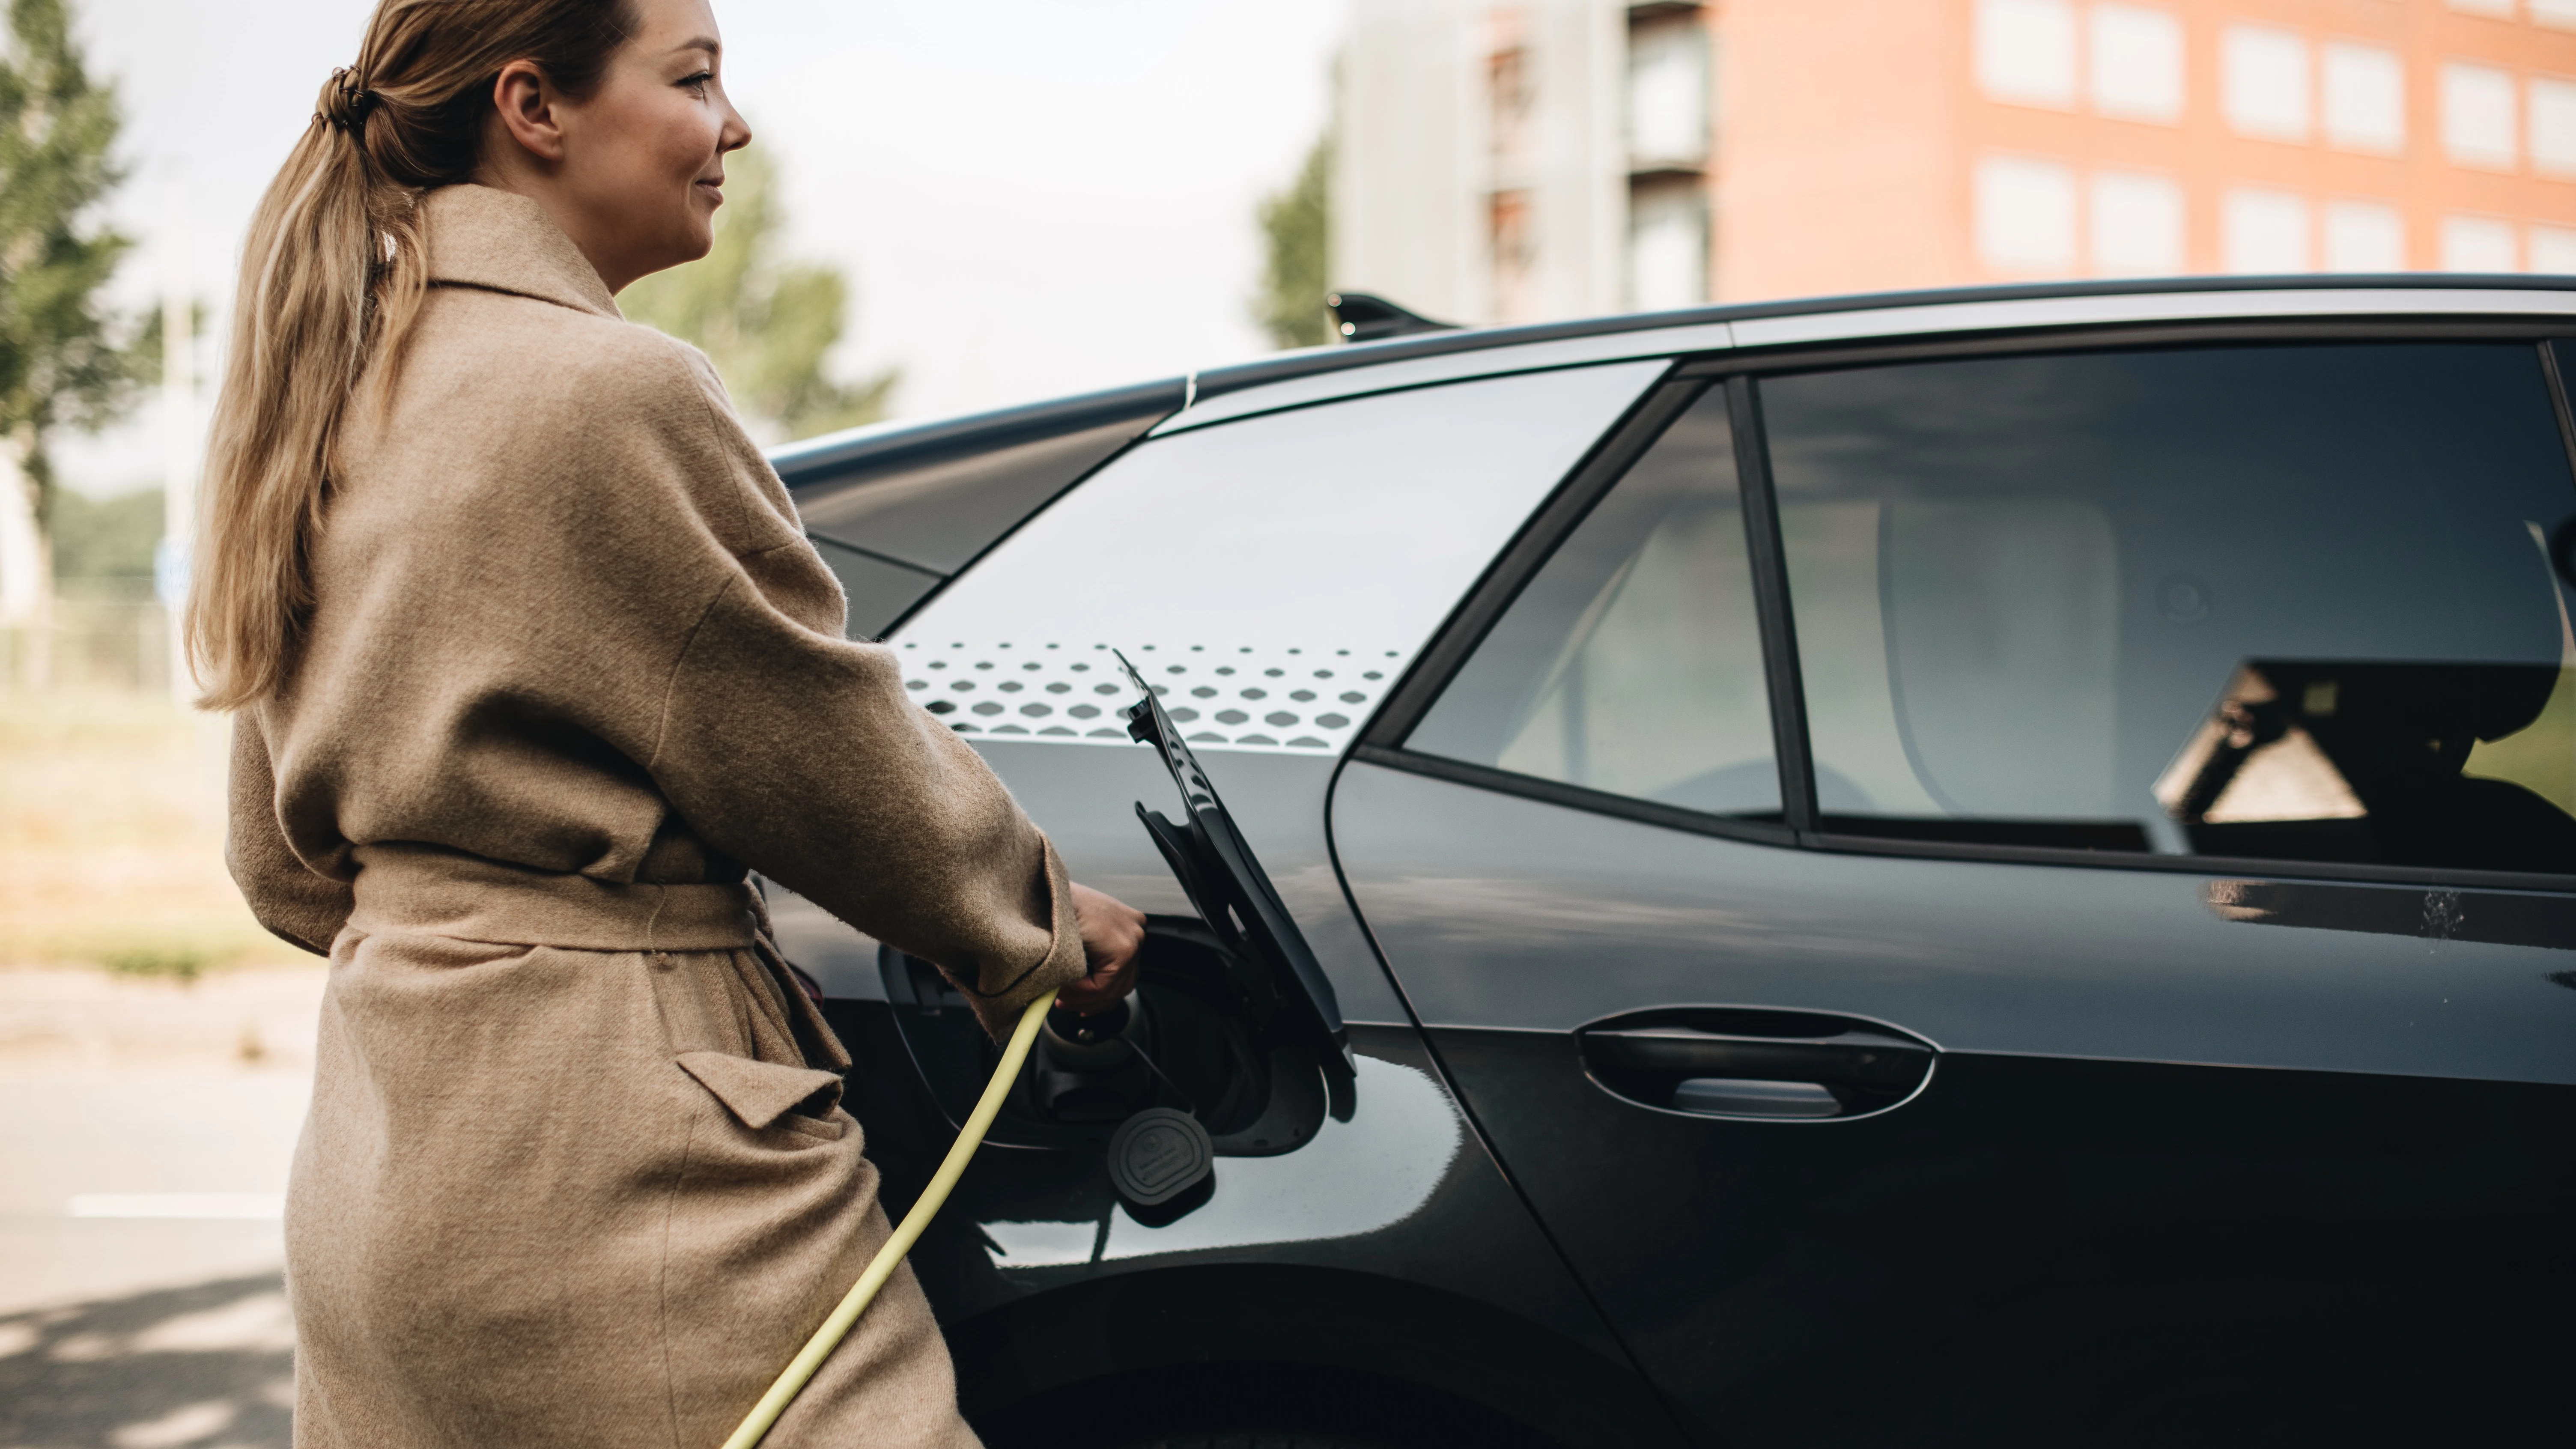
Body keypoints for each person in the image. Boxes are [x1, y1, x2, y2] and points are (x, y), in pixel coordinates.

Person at [188, 1, 1148, 1443]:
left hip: (377, 1173)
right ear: (535, 106)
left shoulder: (329, 387)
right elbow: (820, 744)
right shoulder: (610, 390)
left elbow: (278, 865)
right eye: (694, 79)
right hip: (633, 1187)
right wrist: (1037, 924)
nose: (734, 126)